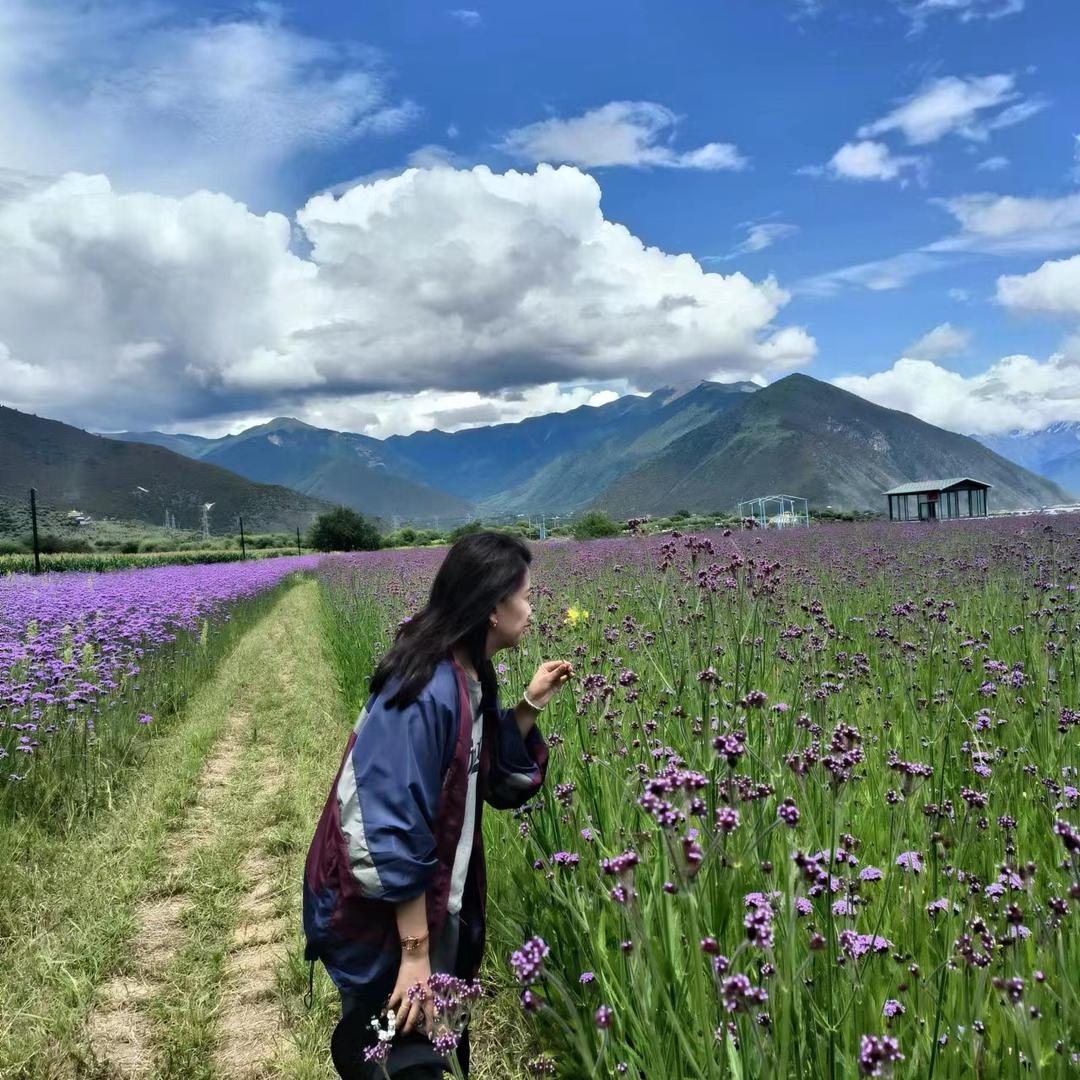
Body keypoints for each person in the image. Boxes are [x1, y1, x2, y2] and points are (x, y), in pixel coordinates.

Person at [302, 530, 573, 1078]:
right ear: (494, 606)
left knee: (432, 1041)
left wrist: (529, 706)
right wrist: (416, 953)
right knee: (398, 1050)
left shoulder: (468, 676)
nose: (531, 608)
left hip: (435, 905)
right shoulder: (424, 686)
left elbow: (483, 777)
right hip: (389, 920)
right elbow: (387, 824)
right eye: (525, 595)